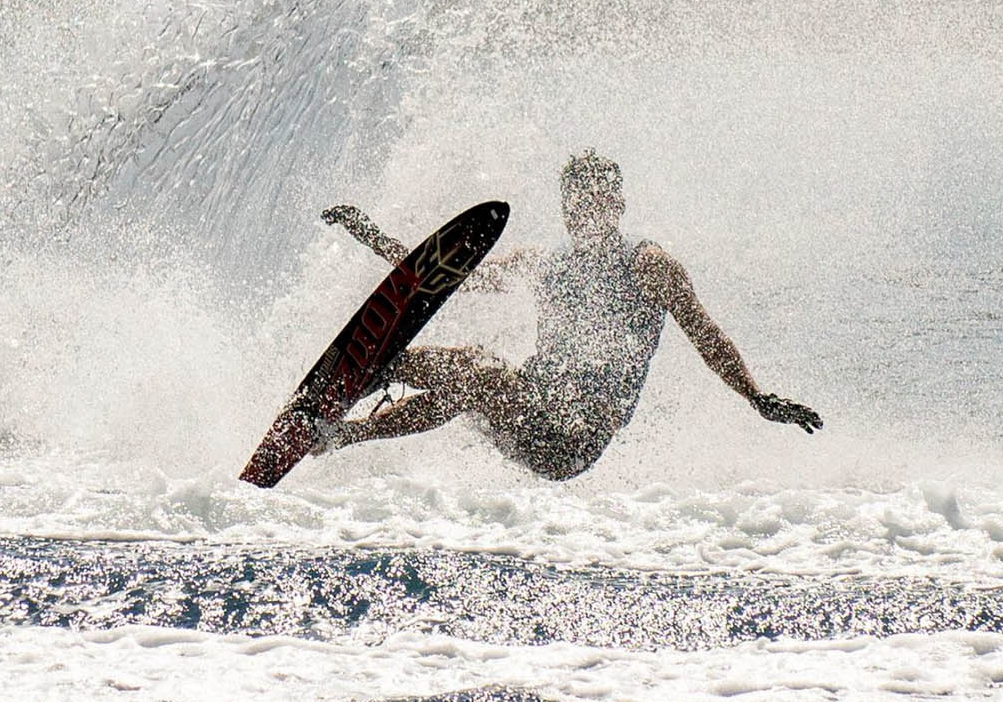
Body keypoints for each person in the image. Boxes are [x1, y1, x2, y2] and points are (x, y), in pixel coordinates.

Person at [315, 150, 822, 480]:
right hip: (526, 406)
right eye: (574, 201)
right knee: (472, 372)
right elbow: (451, 276)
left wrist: (756, 396)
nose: (583, 209)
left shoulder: (649, 266)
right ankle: (349, 401)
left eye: (594, 199)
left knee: (483, 375)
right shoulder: (547, 262)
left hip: (573, 440)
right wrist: (373, 237)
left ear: (616, 203)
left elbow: (707, 337)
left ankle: (356, 409)